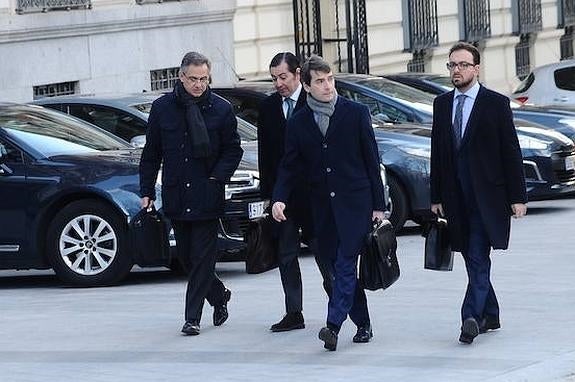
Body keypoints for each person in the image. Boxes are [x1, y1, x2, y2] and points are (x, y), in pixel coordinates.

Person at [271, 55, 386, 351]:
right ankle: (364, 323)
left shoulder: (356, 113)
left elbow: (372, 161)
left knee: (346, 263)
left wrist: (378, 204)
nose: (327, 86)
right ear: (307, 86)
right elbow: (289, 165)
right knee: (338, 269)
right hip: (321, 209)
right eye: (320, 81)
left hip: (355, 204)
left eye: (330, 79)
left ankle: (332, 325)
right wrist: (279, 198)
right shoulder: (298, 123)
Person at [139, 51, 243, 336]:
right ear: (181, 77)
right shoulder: (162, 108)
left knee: (202, 258)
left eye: (204, 79)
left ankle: (192, 318)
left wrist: (216, 178)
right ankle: (219, 294)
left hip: (206, 193)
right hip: (176, 195)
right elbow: (151, 153)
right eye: (193, 79)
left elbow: (233, 149)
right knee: (186, 257)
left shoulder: (220, 108)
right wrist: (146, 190)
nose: (199, 85)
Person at [430, 42, 527, 344]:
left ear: (476, 68)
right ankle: (492, 313)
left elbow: (510, 151)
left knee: (476, 254)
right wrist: (435, 196)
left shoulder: (495, 104)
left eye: (462, 65)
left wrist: (518, 196)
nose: (456, 70)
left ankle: (470, 317)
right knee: (473, 258)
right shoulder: (442, 104)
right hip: (455, 198)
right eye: (452, 65)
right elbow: (437, 152)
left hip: (488, 198)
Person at [258, 52, 332, 332]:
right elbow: (266, 156)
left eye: (283, 77)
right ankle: (294, 311)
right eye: (274, 78)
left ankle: (338, 304)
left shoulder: (314, 101)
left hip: (314, 197)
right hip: (283, 199)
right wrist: (269, 195)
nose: (278, 83)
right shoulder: (267, 108)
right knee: (286, 255)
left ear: (298, 74)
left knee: (323, 254)